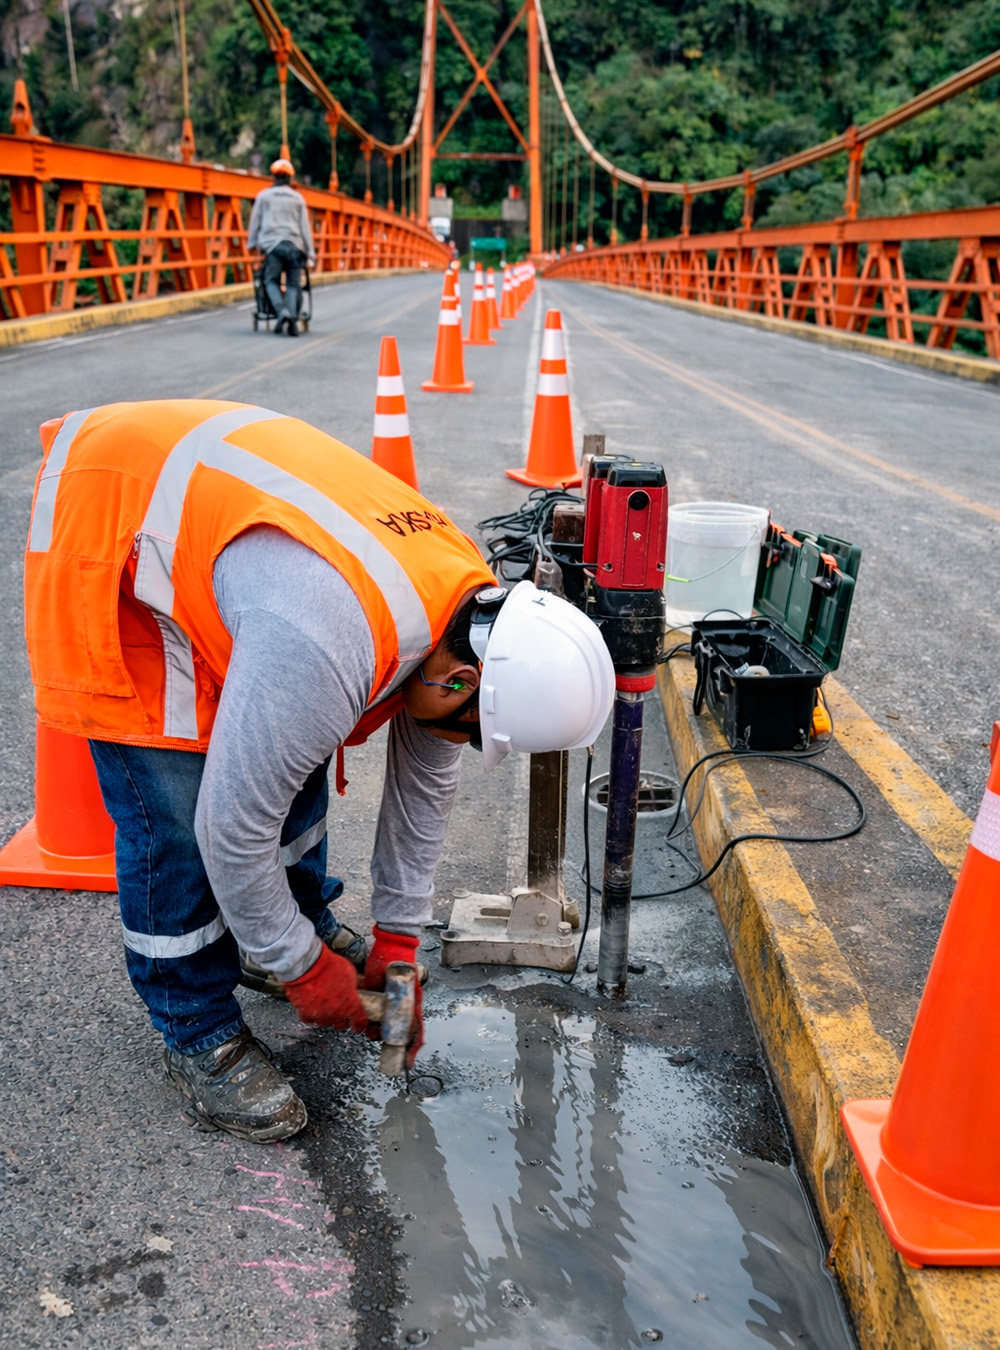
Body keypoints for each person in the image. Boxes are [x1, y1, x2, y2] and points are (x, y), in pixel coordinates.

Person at [23, 400, 615, 1143]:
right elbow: (231, 831)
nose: (460, 748)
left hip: (245, 538)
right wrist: (304, 972)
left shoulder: (466, 618)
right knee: (179, 814)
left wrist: (399, 940)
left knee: (287, 752)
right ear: (465, 684)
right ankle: (196, 1026)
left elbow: (422, 791)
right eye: (473, 734)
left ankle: (287, 929)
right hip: (119, 511)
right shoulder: (324, 643)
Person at [247, 157, 316, 336]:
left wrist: (252, 244)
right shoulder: (298, 198)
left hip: (272, 247)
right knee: (294, 284)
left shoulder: (263, 196)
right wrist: (310, 252)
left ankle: (281, 311)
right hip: (295, 247)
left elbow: (255, 222)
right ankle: (292, 316)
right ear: (290, 179)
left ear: (274, 177)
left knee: (270, 280)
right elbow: (304, 228)